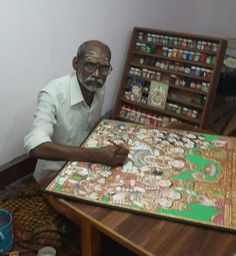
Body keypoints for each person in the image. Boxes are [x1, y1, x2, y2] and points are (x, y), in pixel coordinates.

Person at [24, 40, 129, 182]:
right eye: (90, 65)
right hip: (54, 174)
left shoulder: (98, 88)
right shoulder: (52, 94)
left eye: (104, 68)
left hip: (87, 166)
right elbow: (36, 146)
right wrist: (97, 155)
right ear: (75, 63)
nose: (97, 74)